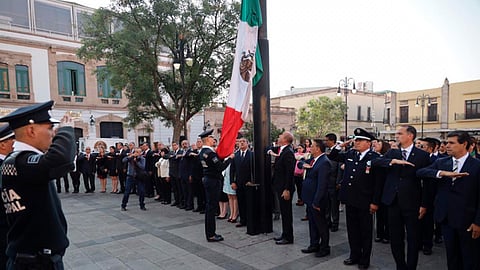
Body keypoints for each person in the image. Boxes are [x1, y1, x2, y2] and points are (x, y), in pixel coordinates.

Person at [0, 100, 75, 269]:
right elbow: (60, 159)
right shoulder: (20, 162)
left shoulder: (18, 161)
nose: (52, 133)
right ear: (31, 130)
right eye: (49, 128)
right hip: (34, 262)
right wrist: (66, 130)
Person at [417, 131, 480, 270]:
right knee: (452, 256)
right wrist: (441, 173)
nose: (447, 146)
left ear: (464, 144)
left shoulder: (476, 165)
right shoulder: (441, 162)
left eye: (452, 143)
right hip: (446, 217)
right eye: (446, 143)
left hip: (467, 220)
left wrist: (478, 222)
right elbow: (420, 172)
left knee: (470, 258)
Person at [372, 125, 431, 270]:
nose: (397, 136)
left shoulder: (422, 155)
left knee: (413, 238)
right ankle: (400, 266)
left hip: (412, 202)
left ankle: (411, 267)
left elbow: (428, 182)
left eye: (400, 133)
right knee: (395, 237)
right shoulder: (392, 153)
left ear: (410, 136)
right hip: (393, 201)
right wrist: (393, 161)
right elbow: (375, 162)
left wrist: (424, 204)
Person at [329, 128, 384, 269]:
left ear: (368, 143)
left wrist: (375, 202)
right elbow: (333, 156)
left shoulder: (374, 158)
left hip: (365, 201)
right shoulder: (351, 153)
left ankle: (364, 259)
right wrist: (341, 144)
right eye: (356, 139)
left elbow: (378, 183)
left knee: (365, 231)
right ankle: (354, 255)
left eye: (360, 140)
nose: (356, 142)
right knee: (352, 230)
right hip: (350, 199)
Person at [298, 139, 331, 258]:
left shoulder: (324, 162)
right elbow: (300, 162)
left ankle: (325, 247)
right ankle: (314, 244)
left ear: (318, 149)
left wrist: (317, 201)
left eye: (311, 146)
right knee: (312, 223)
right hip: (309, 198)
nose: (309, 148)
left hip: (317, 200)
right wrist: (303, 164)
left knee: (321, 224)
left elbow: (322, 185)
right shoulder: (313, 160)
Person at [198, 129, 233, 242]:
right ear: (208, 139)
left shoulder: (202, 152)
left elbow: (215, 163)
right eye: (212, 138)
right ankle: (211, 234)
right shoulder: (210, 153)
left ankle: (210, 233)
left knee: (210, 207)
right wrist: (229, 159)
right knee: (211, 208)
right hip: (213, 181)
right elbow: (220, 167)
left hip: (208, 179)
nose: (214, 140)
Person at [270, 131, 296, 245]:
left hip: (285, 188)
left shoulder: (288, 152)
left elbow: (289, 173)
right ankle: (284, 234)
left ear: (285, 139)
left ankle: (288, 237)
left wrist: (287, 189)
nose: (279, 137)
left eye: (281, 136)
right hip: (280, 185)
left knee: (286, 213)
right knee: (284, 212)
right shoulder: (283, 150)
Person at [0, 124, 15, 269]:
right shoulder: (4, 165)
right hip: (4, 228)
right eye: (12, 140)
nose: (15, 144)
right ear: (3, 144)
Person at [230, 137, 253, 228]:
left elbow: (254, 170)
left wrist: (252, 181)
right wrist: (232, 182)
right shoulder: (235, 155)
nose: (241, 143)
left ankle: (250, 220)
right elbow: (232, 170)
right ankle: (242, 220)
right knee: (241, 202)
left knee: (249, 203)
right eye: (240, 142)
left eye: (243, 141)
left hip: (248, 183)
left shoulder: (251, 155)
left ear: (247, 143)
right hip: (238, 183)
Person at [372, 139, 391, 244]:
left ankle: (387, 234)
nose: (376, 145)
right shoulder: (375, 157)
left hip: (385, 188)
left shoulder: (386, 158)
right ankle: (379, 233)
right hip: (376, 188)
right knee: (379, 214)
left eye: (379, 144)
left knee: (386, 214)